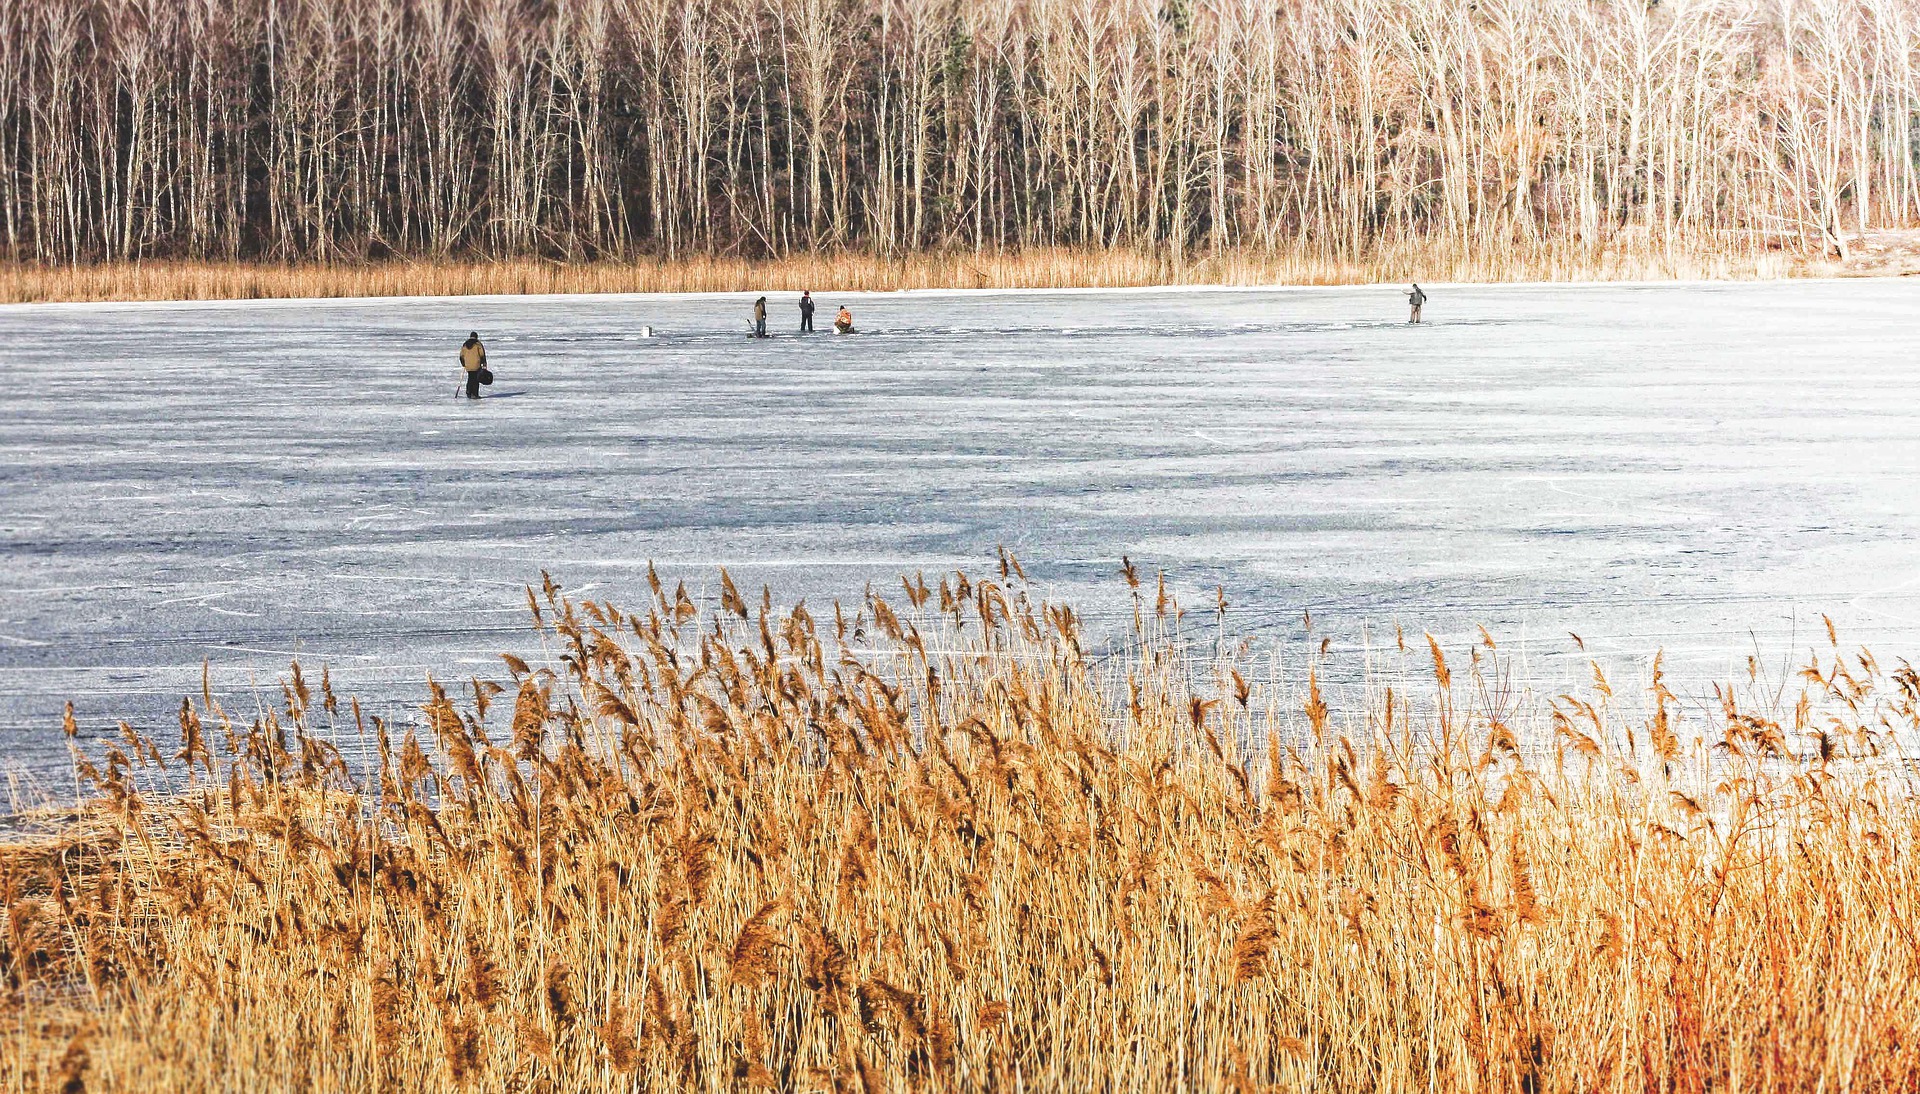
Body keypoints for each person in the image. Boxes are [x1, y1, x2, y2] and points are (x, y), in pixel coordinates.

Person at [459, 331, 490, 399]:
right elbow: (482, 354)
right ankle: (475, 394)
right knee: (476, 379)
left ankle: (469, 392)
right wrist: (484, 364)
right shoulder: (478, 344)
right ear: (476, 337)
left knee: (470, 378)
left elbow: (461, 355)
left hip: (468, 365)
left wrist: (463, 364)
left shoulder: (465, 344)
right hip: (476, 364)